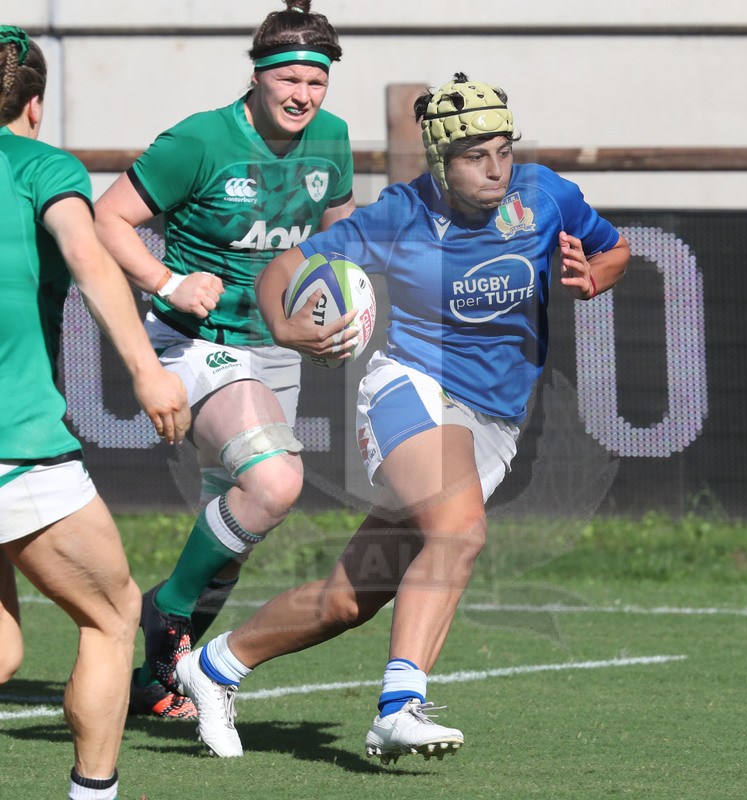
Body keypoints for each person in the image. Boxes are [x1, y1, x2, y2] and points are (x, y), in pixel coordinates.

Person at [174, 72, 630, 761]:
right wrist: (285, 327)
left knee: (349, 599)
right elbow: (281, 268)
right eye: (476, 155)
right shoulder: (399, 214)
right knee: (459, 531)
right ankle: (399, 705)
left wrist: (595, 276)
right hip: (409, 387)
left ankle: (213, 668)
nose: (495, 167)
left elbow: (612, 246)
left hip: (495, 418)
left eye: (504, 149)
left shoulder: (545, 196)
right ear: (440, 161)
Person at [94, 0, 356, 720]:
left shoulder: (330, 139)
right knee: (273, 483)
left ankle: (154, 678)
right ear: (258, 75)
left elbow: (335, 236)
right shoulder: (199, 141)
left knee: (237, 525)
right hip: (195, 343)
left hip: (276, 349)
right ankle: (164, 615)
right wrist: (166, 281)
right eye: (291, 80)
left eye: (318, 81)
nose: (304, 96)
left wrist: (334, 309)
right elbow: (106, 217)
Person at [0, 27, 190, 800]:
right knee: (113, 618)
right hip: (15, 444)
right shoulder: (40, 167)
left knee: (3, 650)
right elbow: (89, 255)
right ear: (34, 105)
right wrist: (148, 372)